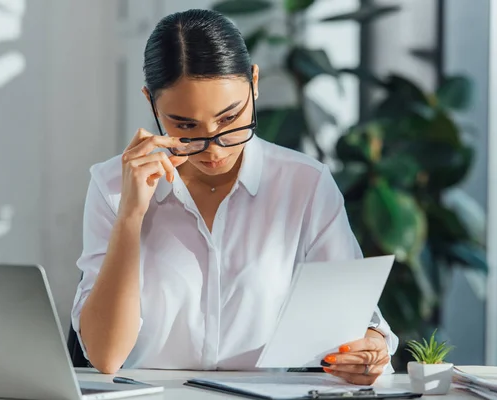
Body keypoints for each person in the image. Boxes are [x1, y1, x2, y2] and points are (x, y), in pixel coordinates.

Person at [71, 8, 398, 385]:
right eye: (186, 126)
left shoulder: (304, 184)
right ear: (151, 103)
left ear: (254, 83)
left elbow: (355, 324)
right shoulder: (112, 185)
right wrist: (130, 216)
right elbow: (106, 356)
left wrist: (368, 349)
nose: (214, 148)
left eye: (229, 119)